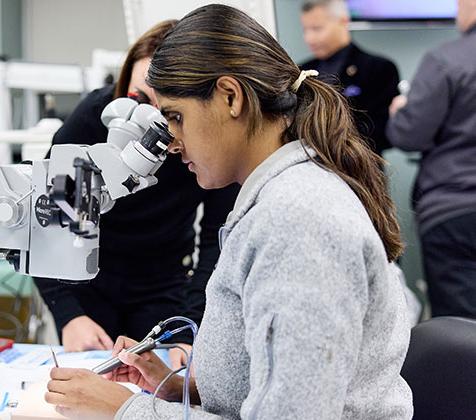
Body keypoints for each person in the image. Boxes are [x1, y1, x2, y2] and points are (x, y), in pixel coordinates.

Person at [44, 4, 413, 419]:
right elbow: (267, 379)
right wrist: (179, 389)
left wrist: (128, 411)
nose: (169, 142)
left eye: (175, 117)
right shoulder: (273, 198)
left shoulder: (298, 221)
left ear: (230, 97)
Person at [33, 21, 240, 369]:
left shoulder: (203, 142)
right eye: (136, 99)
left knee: (161, 383)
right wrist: (68, 314)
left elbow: (216, 239)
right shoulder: (92, 118)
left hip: (162, 284)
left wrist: (190, 326)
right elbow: (48, 218)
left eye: (164, 109)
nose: (144, 119)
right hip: (87, 282)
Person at [386, 0, 476, 319]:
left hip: (453, 212)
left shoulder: (446, 61)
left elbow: (409, 134)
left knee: (462, 331)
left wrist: (400, 111)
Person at [299, 0, 400, 155]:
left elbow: (382, 131)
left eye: (317, 29)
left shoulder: (378, 68)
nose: (309, 38)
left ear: (343, 22)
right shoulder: (301, 72)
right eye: (305, 30)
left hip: (359, 169)